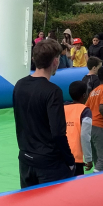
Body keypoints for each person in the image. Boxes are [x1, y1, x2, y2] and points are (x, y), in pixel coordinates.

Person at [12, 39, 75, 188]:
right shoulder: (52, 91)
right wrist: (70, 161)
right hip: (49, 163)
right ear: (55, 61)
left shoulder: (19, 85)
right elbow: (58, 133)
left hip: (26, 159)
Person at [65, 80, 94, 176]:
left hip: (60, 156)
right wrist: (88, 158)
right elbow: (85, 136)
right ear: (85, 95)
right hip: (75, 158)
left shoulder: (62, 108)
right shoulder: (85, 111)